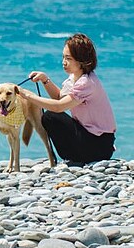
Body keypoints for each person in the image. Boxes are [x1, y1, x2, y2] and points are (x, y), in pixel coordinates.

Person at [20, 33, 116, 165]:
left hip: (100, 144)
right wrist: (44, 80)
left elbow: (59, 107)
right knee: (51, 116)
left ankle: (78, 158)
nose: (63, 62)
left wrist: (28, 96)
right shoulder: (74, 78)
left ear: (81, 60)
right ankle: (74, 157)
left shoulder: (86, 82)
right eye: (63, 57)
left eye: (69, 58)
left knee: (51, 116)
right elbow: (60, 98)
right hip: (90, 138)